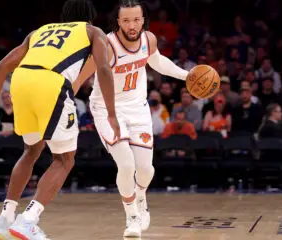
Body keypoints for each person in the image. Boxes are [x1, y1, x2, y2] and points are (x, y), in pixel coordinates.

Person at [0, 0, 120, 239]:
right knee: (65, 159)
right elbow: (104, 69)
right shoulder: (92, 31)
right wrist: (112, 113)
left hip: (21, 81)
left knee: (31, 151)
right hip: (51, 83)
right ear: (90, 18)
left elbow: (1, 67)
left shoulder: (39, 31)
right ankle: (28, 220)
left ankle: (5, 218)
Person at [74, 0, 194, 237]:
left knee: (146, 170)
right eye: (126, 20)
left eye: (136, 19)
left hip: (138, 108)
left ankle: (140, 197)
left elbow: (157, 61)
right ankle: (131, 216)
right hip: (107, 108)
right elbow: (80, 78)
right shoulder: (106, 45)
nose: (132, 25)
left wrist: (187, 75)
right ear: (118, 21)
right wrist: (64, 97)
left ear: (143, 20)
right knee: (126, 165)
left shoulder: (149, 40)